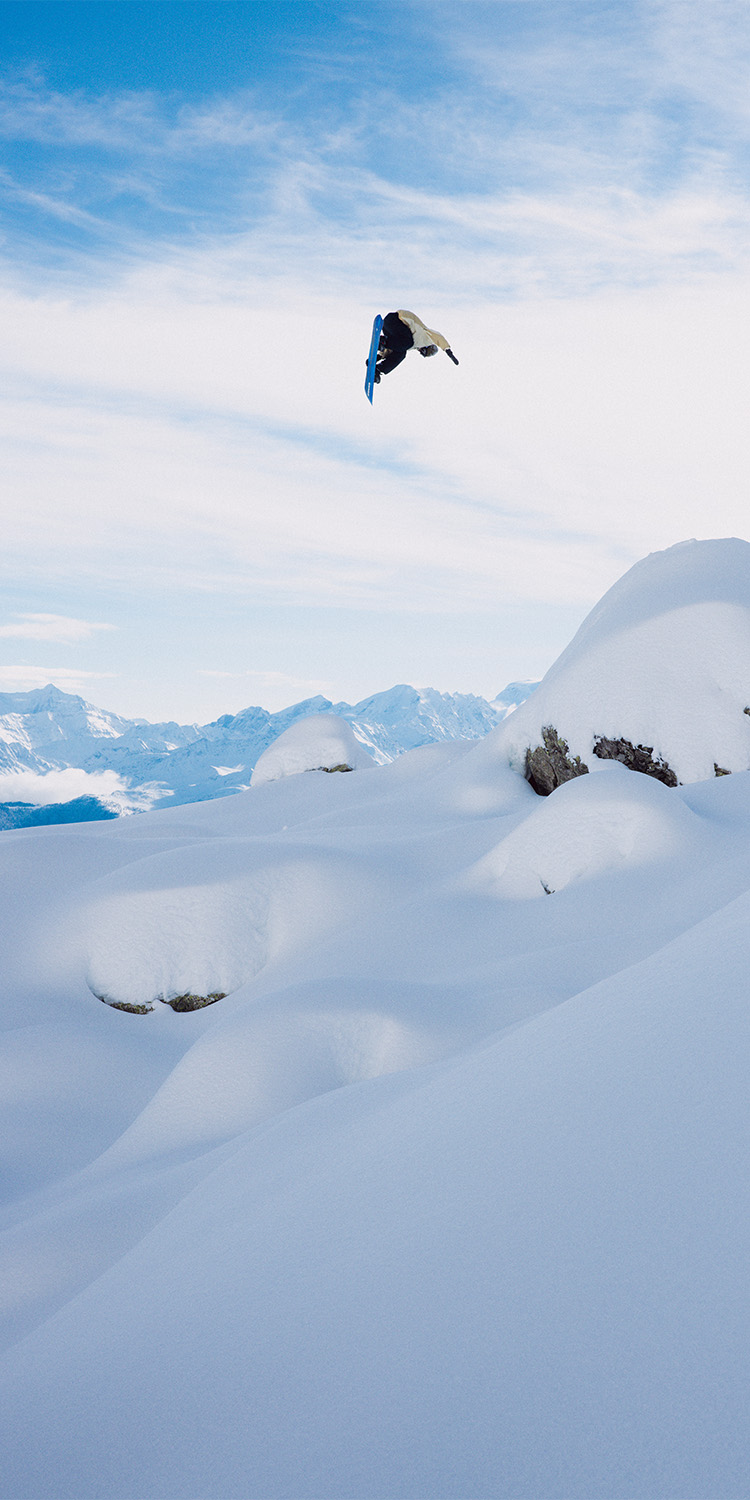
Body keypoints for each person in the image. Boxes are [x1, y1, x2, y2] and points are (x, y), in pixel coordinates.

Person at [373, 310, 459, 382]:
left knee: (401, 353)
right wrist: (448, 351)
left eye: (422, 354)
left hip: (391, 331)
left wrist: (379, 357)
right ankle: (383, 342)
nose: (420, 351)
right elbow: (439, 337)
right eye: (424, 351)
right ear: (427, 346)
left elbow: (395, 347)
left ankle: (379, 369)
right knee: (407, 343)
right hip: (395, 320)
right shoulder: (426, 336)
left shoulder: (413, 344)